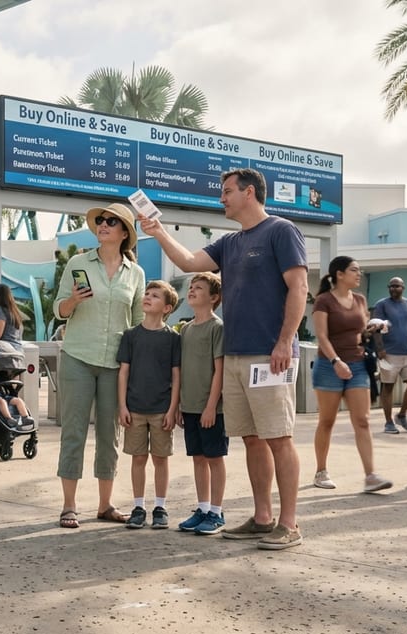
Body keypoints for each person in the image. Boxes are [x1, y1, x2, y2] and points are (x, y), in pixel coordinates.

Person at [141, 167, 308, 550]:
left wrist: (284, 342)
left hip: (270, 355)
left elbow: (299, 287)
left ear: (249, 193)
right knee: (251, 439)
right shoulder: (229, 243)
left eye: (227, 191)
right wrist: (158, 231)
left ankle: (290, 523)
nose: (221, 198)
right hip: (234, 355)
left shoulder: (281, 231)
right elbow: (187, 262)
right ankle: (263, 518)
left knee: (279, 438)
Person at [54, 202, 145, 529]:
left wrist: (136, 367)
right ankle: (69, 506)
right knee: (74, 431)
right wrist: (73, 301)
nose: (103, 225)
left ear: (124, 233)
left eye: (111, 222)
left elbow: (136, 324)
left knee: (111, 436)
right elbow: (58, 310)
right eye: (101, 221)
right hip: (78, 356)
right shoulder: (78, 263)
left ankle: (105, 505)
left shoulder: (136, 273)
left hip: (114, 365)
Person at [309, 256, 392, 493]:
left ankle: (371, 476)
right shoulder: (323, 301)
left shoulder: (360, 299)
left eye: (359, 270)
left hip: (357, 365)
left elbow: (358, 330)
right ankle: (321, 471)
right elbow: (322, 336)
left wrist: (374, 327)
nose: (359, 274)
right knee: (327, 421)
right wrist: (335, 361)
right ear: (339, 274)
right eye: (354, 270)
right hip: (329, 365)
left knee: (363, 421)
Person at [116, 280, 181, 530]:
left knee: (161, 458)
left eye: (155, 296)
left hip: (162, 409)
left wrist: (172, 408)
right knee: (138, 458)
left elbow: (177, 375)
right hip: (134, 408)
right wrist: (122, 406)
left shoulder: (173, 338)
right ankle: (139, 506)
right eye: (147, 293)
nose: (148, 297)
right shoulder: (131, 336)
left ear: (166, 308)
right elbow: (123, 373)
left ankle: (160, 507)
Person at [174, 273, 229, 535]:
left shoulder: (217, 328)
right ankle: (203, 508)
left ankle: (217, 512)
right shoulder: (186, 328)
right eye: (191, 287)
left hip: (211, 409)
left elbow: (219, 370)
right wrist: (180, 406)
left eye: (199, 288)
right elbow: (183, 370)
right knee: (198, 458)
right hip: (190, 406)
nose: (192, 291)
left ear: (214, 297)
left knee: (214, 458)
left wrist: (211, 406)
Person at [372, 276, 407, 434]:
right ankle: (388, 422)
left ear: (403, 288)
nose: (394, 289)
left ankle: (402, 414)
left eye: (397, 286)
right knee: (388, 386)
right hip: (389, 353)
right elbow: (375, 327)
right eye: (391, 286)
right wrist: (380, 347)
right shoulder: (382, 305)